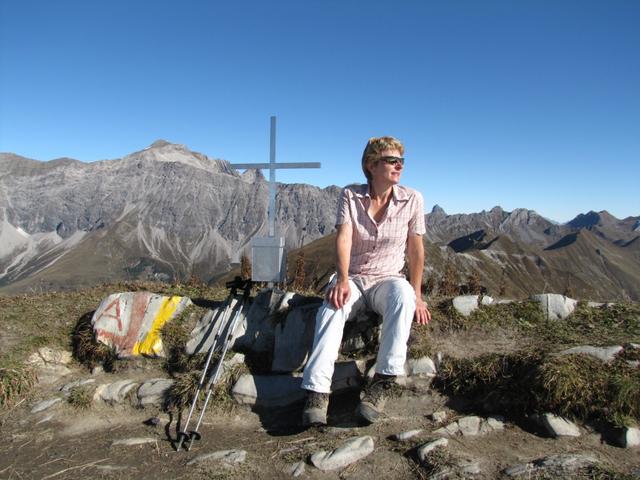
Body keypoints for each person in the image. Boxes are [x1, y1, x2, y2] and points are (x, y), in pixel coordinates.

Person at [301, 136, 431, 426]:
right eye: (391, 160)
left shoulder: (413, 199)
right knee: (331, 309)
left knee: (404, 297)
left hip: (388, 278)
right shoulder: (350, 195)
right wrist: (342, 280)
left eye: (401, 160)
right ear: (371, 165)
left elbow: (416, 249)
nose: (399, 165)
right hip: (354, 277)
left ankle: (383, 382)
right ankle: (317, 393)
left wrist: (418, 295)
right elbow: (344, 238)